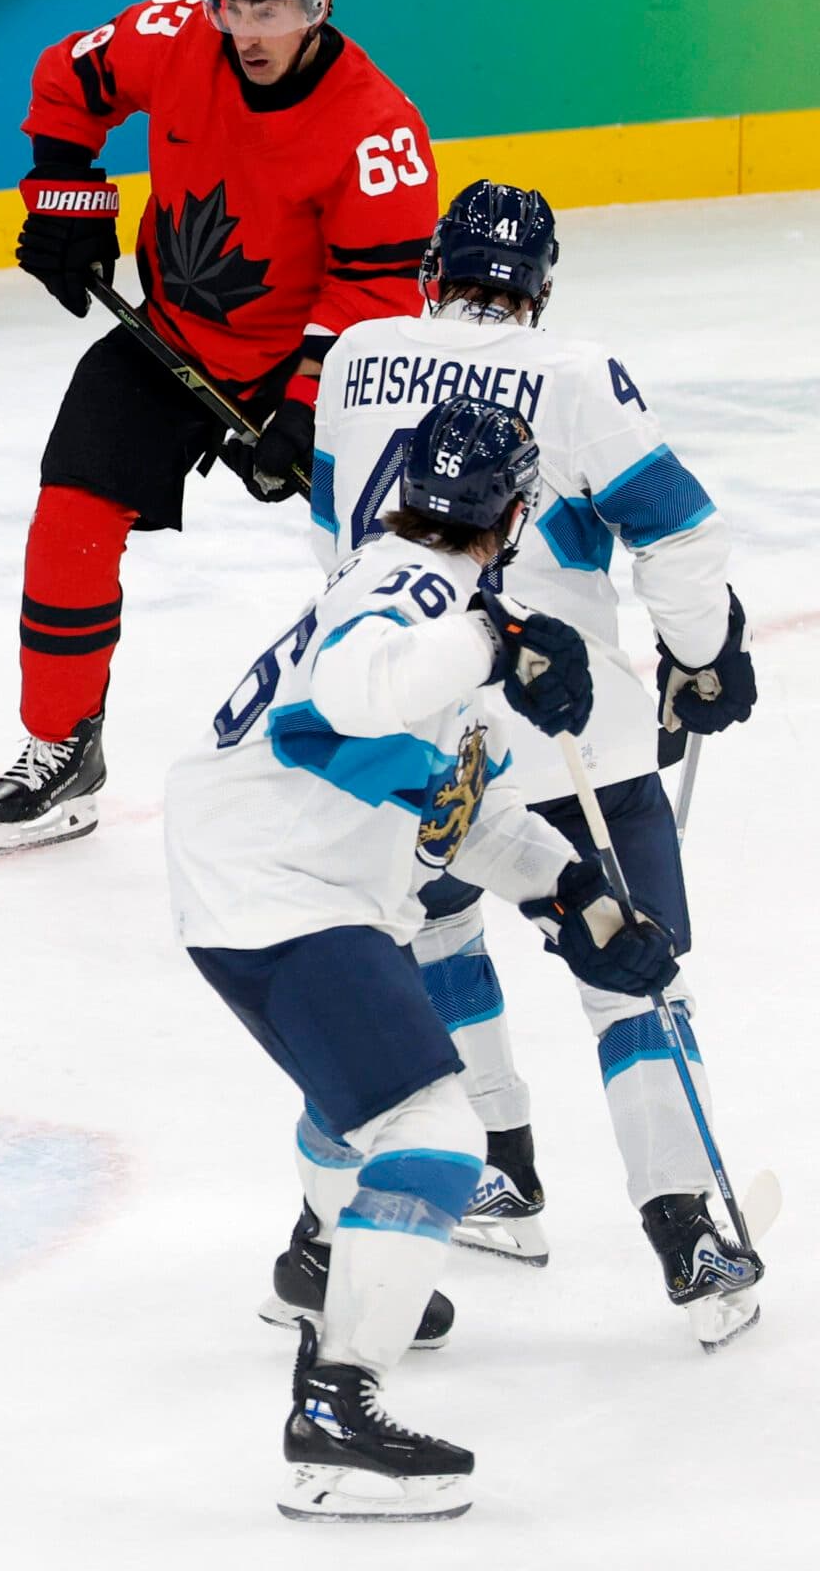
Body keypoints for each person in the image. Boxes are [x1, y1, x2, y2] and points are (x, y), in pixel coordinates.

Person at [164, 396, 681, 1519]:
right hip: (279, 890)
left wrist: (578, 897)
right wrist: (497, 639)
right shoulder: (420, 593)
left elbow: (454, 806)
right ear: (518, 506)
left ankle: (319, 1263)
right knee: (435, 1133)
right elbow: (347, 697)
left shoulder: (417, 593)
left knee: (362, 1102)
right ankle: (337, 1413)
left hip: (261, 880)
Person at [293, 180, 764, 1346]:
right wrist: (700, 656)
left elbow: (326, 539)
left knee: (437, 936)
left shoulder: (354, 356)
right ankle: (686, 1234)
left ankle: (500, 1172)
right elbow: (678, 532)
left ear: (428, 271)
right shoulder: (572, 369)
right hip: (572, 734)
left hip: (411, 722)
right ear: (541, 286)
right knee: (630, 972)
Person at [0, 0, 441, 853]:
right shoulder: (176, 36)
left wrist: (308, 410)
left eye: (270, 9)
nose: (244, 28)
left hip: (317, 364)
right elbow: (69, 81)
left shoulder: (377, 131)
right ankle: (64, 743)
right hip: (171, 338)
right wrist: (67, 203)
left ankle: (407, 741)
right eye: (231, 3)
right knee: (69, 513)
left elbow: (376, 290)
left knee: (380, 562)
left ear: (319, 1)